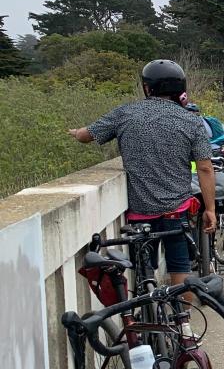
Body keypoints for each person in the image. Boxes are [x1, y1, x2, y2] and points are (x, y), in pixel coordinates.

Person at [68, 60, 216, 286]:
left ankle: (148, 309)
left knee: (143, 268)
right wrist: (211, 209)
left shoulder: (126, 113)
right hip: (176, 211)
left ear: (148, 87)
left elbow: (88, 135)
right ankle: (184, 320)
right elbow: (205, 167)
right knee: (180, 266)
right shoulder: (191, 121)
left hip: (139, 212)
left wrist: (76, 132)